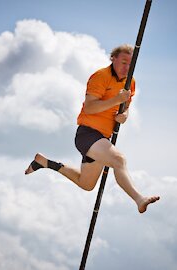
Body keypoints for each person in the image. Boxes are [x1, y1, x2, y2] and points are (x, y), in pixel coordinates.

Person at [25, 44, 160, 213]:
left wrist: (124, 115)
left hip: (103, 139)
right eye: (124, 62)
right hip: (87, 134)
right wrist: (116, 101)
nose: (127, 67)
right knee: (119, 161)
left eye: (130, 64)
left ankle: (45, 162)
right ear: (113, 59)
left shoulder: (130, 82)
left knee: (86, 184)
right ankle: (139, 199)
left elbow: (125, 108)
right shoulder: (100, 76)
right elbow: (89, 107)